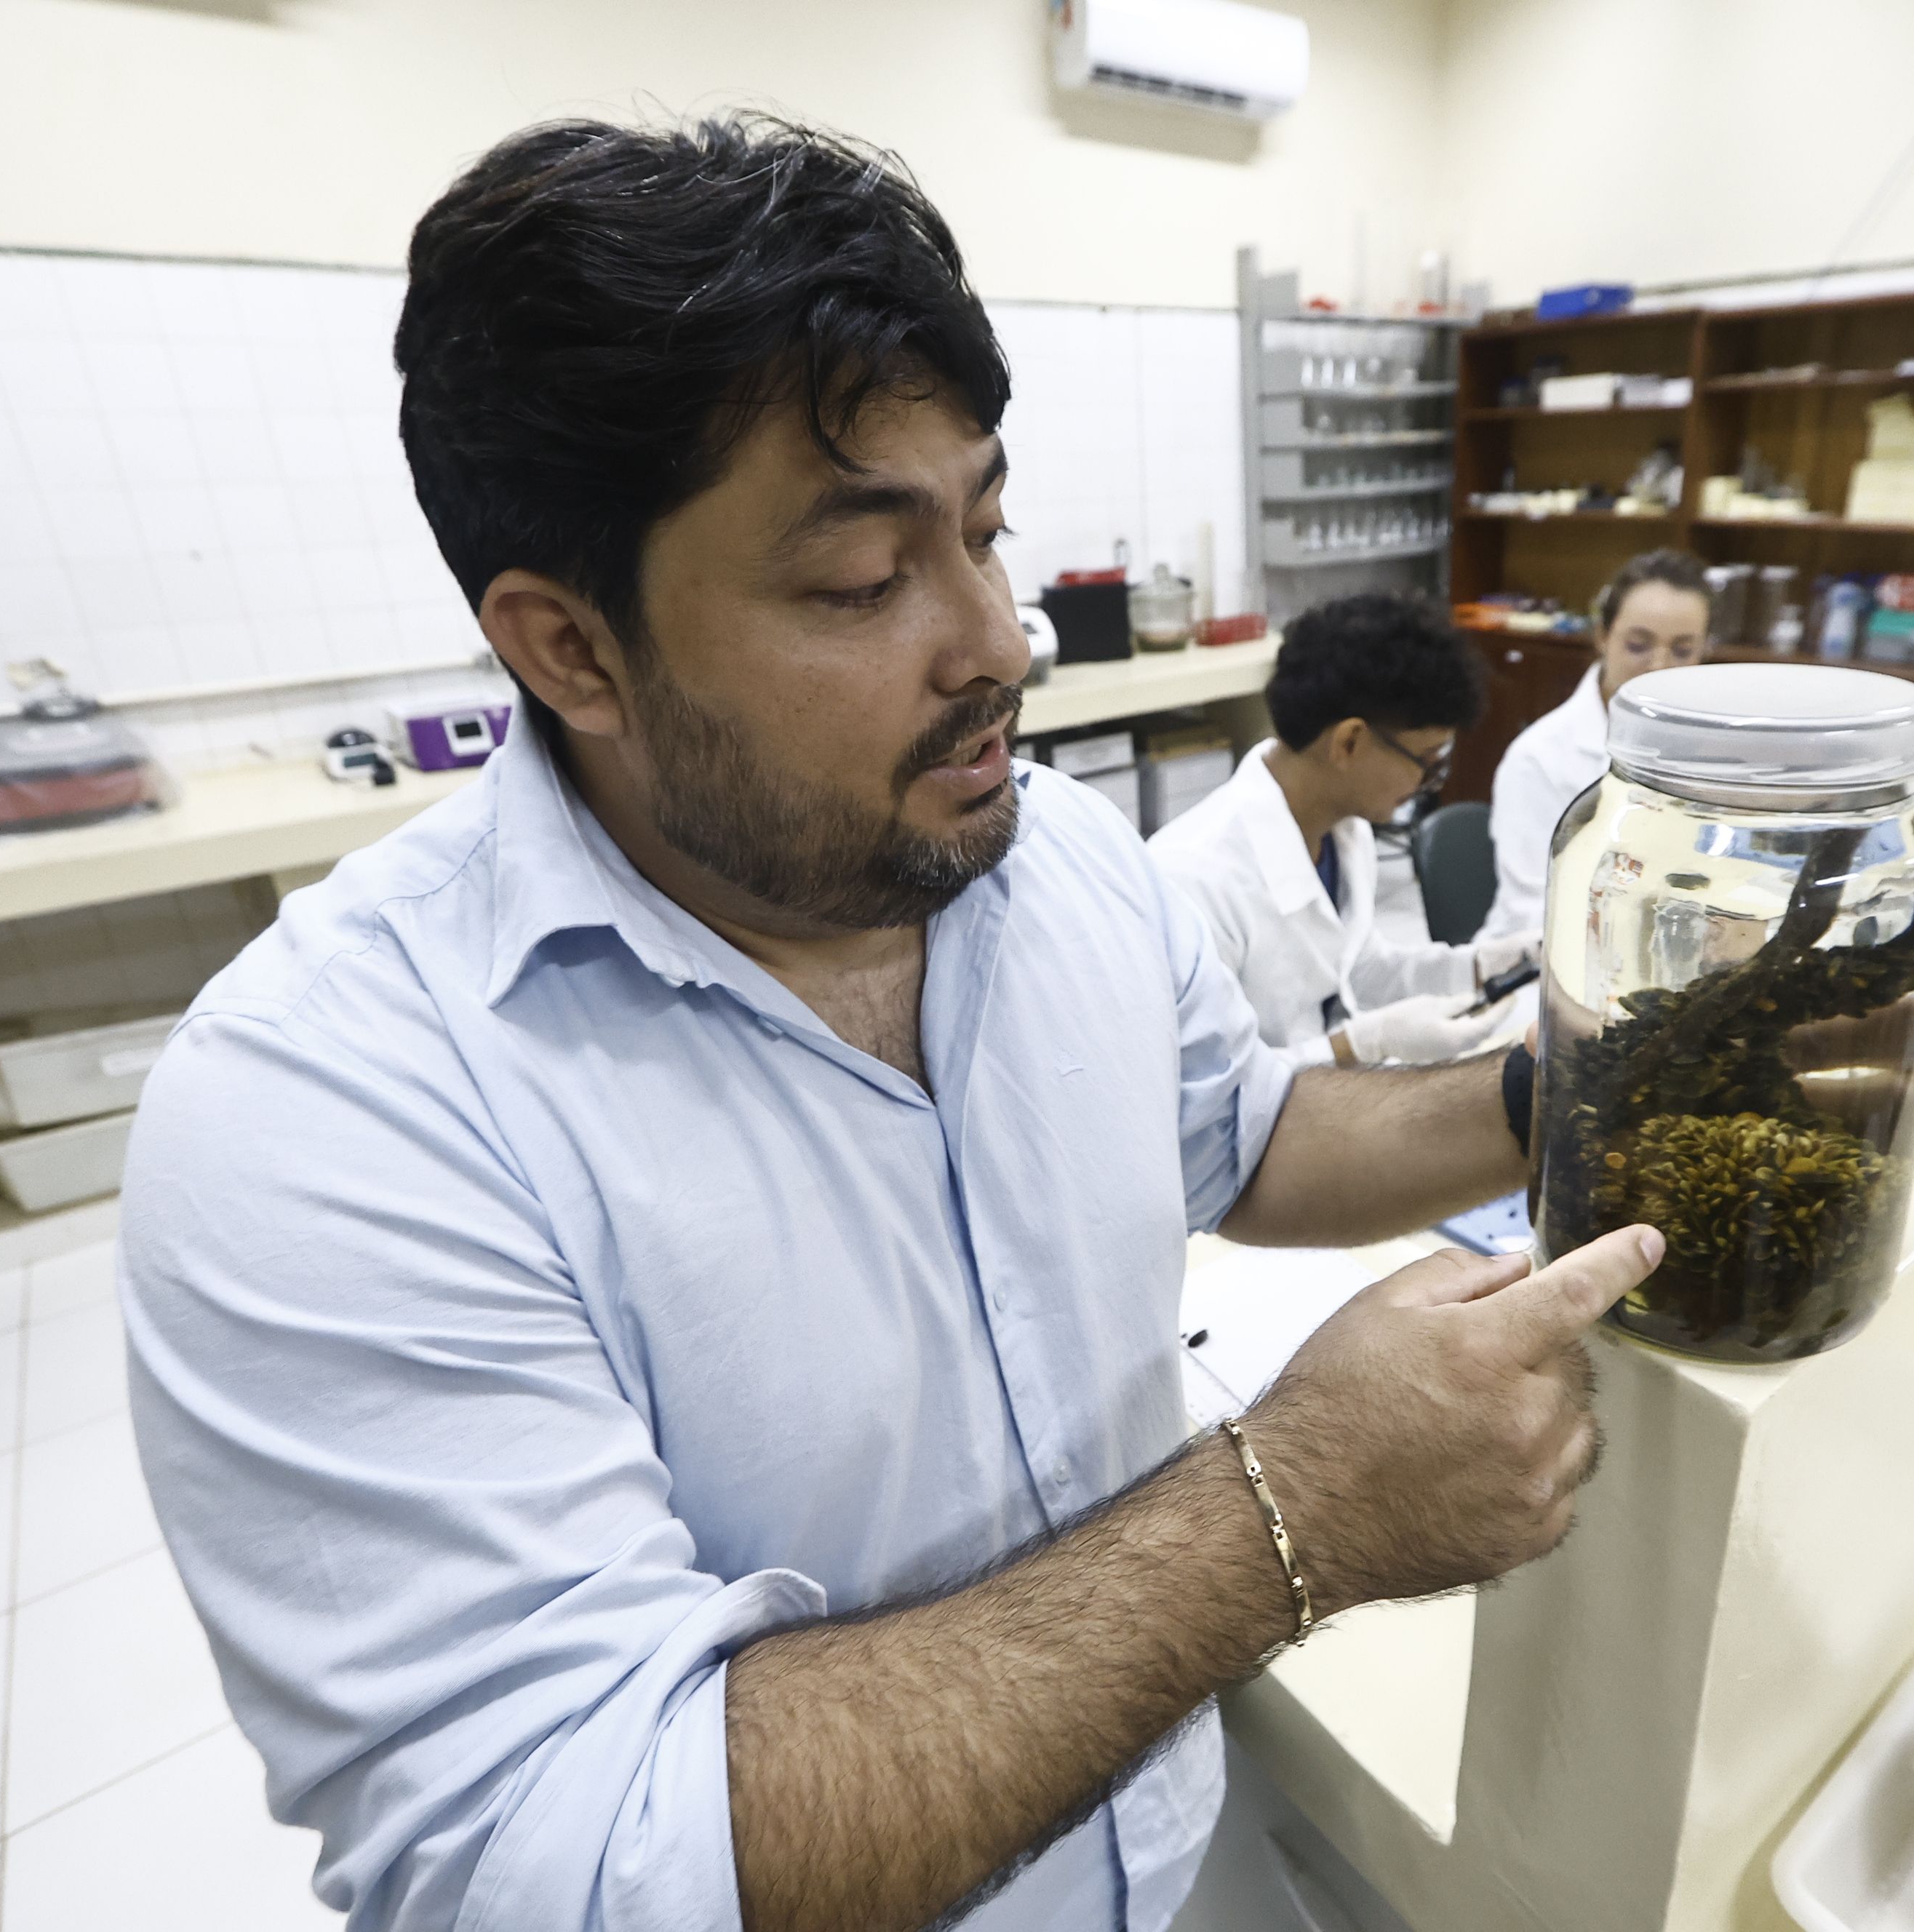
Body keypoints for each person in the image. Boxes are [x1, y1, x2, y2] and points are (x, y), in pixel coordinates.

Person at [117, 115, 1659, 1932]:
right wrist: (1293, 1509)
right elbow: (568, 1864)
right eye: (861, 582)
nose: (996, 640)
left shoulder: (1051, 859)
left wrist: (1563, 1088)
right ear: (570, 648)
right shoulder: (335, 1111)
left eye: (988, 531)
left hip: (1172, 1856)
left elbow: (1233, 1133)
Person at [1149, 593, 1538, 1069]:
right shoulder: (1193, 880)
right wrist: (1362, 1045)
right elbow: (1213, 1089)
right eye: (1427, 763)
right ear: (1350, 742)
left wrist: (1477, 967)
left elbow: (1360, 972)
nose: (1427, 785)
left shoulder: (1343, 830)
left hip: (1320, 1105)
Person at [1478, 548, 1711, 943]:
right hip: (1542, 963)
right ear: (1602, 637)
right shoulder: (1539, 757)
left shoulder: (1716, 750)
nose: (1660, 667)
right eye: (1638, 645)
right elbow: (1535, 913)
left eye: (1683, 650)